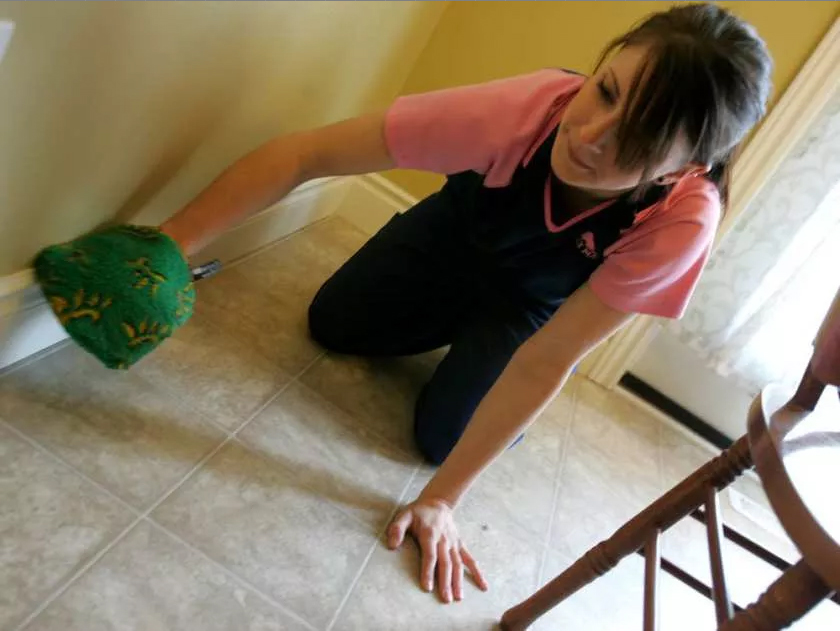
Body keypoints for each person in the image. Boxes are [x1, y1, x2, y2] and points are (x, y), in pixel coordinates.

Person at [161, 2, 772, 606]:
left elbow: (550, 356)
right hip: (453, 238)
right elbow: (305, 155)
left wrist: (442, 500)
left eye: (638, 140)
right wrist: (166, 249)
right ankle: (457, 331)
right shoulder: (525, 110)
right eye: (606, 91)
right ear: (604, 63)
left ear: (679, 171)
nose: (589, 138)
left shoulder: (680, 225)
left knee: (441, 440)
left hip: (527, 309)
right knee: (334, 323)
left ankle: (479, 366)